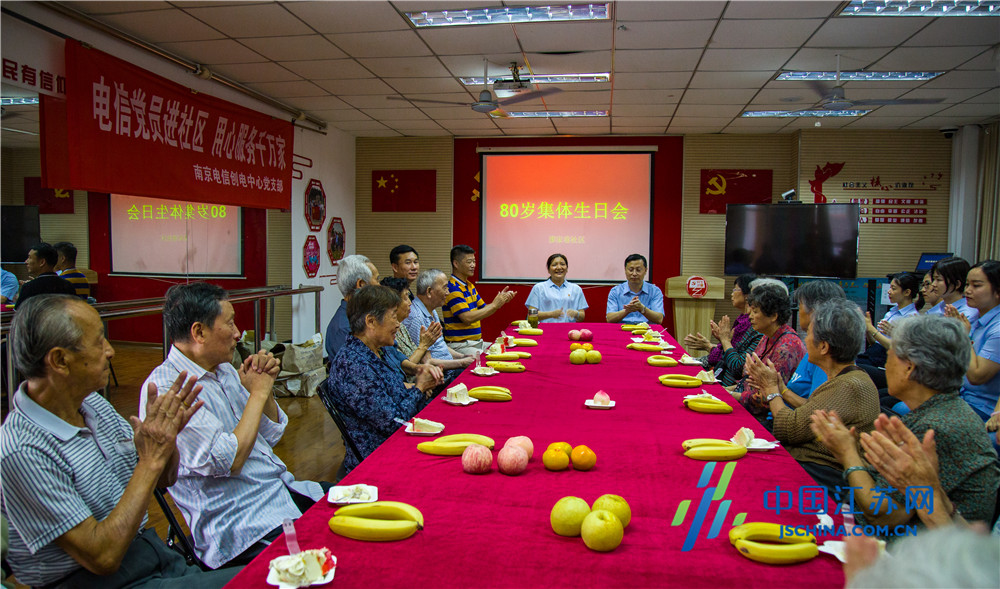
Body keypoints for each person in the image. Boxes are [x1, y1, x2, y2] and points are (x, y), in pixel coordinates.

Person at [1, 294, 237, 588]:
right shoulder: (23, 450)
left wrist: (167, 442)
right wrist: (150, 460)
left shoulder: (93, 406)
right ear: (60, 360)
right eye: (99, 341)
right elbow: (103, 557)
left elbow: (164, 479)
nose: (110, 351)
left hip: (150, 556)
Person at [141, 282, 326, 569]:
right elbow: (230, 460)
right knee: (332, 560)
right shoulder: (169, 387)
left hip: (278, 492)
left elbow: (271, 433)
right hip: (243, 523)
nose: (238, 333)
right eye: (229, 323)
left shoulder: (223, 369)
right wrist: (259, 392)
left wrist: (260, 386)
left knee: (358, 507)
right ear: (199, 332)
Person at [810, 315, 999, 534]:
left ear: (909, 368)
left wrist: (848, 453)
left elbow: (882, 515)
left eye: (890, 355)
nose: (886, 365)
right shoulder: (942, 411)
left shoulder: (934, 428)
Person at [748, 298, 879, 491]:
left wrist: (771, 390)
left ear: (824, 347)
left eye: (808, 333)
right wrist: (779, 388)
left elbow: (787, 427)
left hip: (820, 475)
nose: (804, 340)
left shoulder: (848, 386)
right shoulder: (843, 379)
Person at [328, 285, 443, 472]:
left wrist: (422, 385)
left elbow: (395, 396)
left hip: (401, 439)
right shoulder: (354, 364)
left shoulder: (376, 352)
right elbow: (393, 423)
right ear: (371, 322)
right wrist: (419, 389)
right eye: (393, 317)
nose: (398, 324)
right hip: (381, 457)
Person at [731, 283, 806, 420]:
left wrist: (732, 395)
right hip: (748, 405)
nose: (749, 316)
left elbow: (768, 398)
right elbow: (749, 382)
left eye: (755, 311)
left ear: (773, 316)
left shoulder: (787, 347)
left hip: (766, 418)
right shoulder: (766, 337)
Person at [684, 274, 761, 386]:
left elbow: (737, 366)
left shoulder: (756, 329)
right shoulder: (742, 321)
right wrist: (716, 342)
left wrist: (723, 341)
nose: (731, 293)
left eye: (735, 289)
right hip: (721, 373)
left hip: (728, 382)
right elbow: (731, 351)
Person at [949, 260, 1000, 428]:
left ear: (997, 291)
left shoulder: (998, 329)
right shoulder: (975, 317)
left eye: (976, 286)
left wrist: (963, 337)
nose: (967, 291)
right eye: (967, 284)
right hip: (960, 395)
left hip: (983, 407)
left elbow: (976, 376)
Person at [781, 280, 847, 405]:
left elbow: (815, 409)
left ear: (814, 312)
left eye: (799, 306)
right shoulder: (815, 345)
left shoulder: (827, 354)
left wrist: (778, 389)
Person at [402, 269, 474, 382]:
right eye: (444, 288)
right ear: (429, 291)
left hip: (450, 368)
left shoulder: (431, 310)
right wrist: (461, 363)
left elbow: (440, 345)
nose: (448, 292)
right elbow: (427, 361)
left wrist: (462, 357)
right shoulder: (415, 317)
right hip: (440, 375)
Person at [443, 245, 516, 354]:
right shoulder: (452, 288)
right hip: (460, 345)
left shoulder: (469, 285)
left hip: (476, 342)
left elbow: (484, 308)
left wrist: (500, 301)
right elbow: (467, 318)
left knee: (507, 349)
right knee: (495, 356)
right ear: (456, 264)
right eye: (469, 262)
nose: (473, 265)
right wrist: (494, 305)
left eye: (474, 261)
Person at [380, 277, 441, 384]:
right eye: (405, 298)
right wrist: (423, 346)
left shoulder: (401, 326)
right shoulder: (384, 333)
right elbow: (399, 369)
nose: (410, 303)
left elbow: (408, 362)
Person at [325, 254, 379, 360]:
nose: (380, 286)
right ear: (361, 284)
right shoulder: (344, 329)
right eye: (377, 280)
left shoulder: (363, 316)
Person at [524, 253, 588, 323]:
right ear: (548, 270)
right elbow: (531, 315)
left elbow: (582, 317)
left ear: (567, 269)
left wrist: (576, 314)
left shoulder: (576, 289)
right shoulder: (539, 288)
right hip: (544, 330)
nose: (559, 267)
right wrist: (551, 314)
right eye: (554, 265)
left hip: (569, 331)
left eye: (562, 264)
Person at [605, 253, 664, 324]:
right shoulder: (615, 291)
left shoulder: (655, 291)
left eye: (638, 270)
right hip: (622, 329)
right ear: (625, 270)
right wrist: (627, 310)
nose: (634, 273)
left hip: (647, 330)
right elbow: (609, 319)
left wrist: (642, 308)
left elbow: (659, 319)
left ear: (645, 270)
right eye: (631, 270)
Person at [926, 256, 978, 321]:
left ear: (957, 284)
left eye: (939, 280)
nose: (933, 284)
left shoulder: (966, 314)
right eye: (934, 279)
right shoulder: (940, 306)